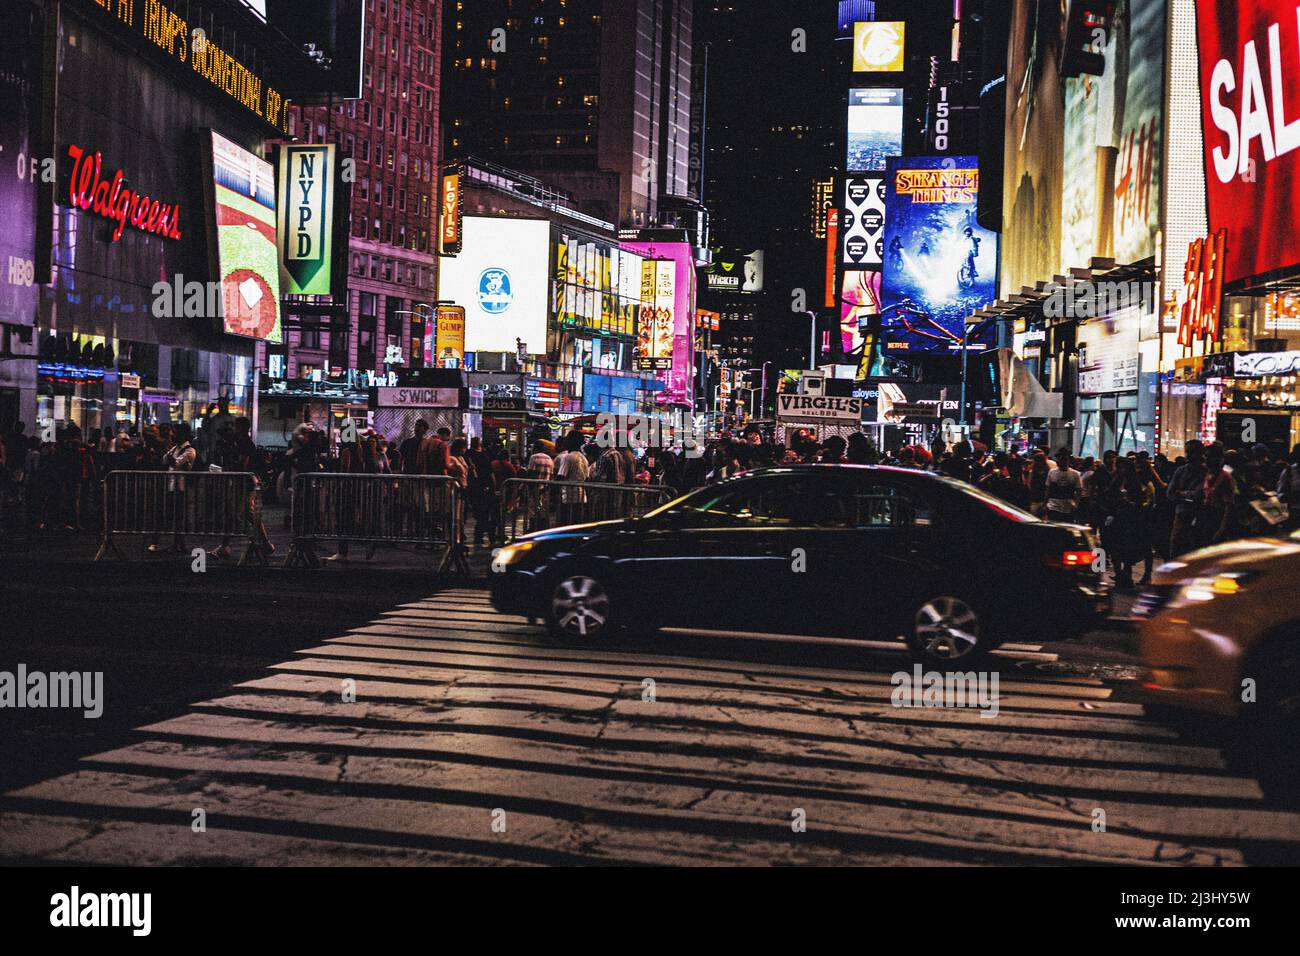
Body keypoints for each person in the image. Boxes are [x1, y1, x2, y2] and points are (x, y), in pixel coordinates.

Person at [1167, 440, 1207, 556]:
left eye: (1192, 452)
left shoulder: (1205, 472)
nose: (1188, 455)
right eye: (1187, 452)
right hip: (1182, 515)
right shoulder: (1181, 470)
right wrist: (1190, 495)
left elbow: (1199, 495)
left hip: (1199, 515)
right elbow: (1170, 494)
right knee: (1175, 548)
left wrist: (1182, 494)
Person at [1045, 449, 1082, 522]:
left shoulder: (1075, 474)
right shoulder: (1052, 472)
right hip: (1054, 506)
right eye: (1061, 459)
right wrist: (1045, 503)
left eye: (1065, 459)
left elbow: (1078, 490)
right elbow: (1048, 489)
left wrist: (1076, 503)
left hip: (1068, 507)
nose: (1063, 462)